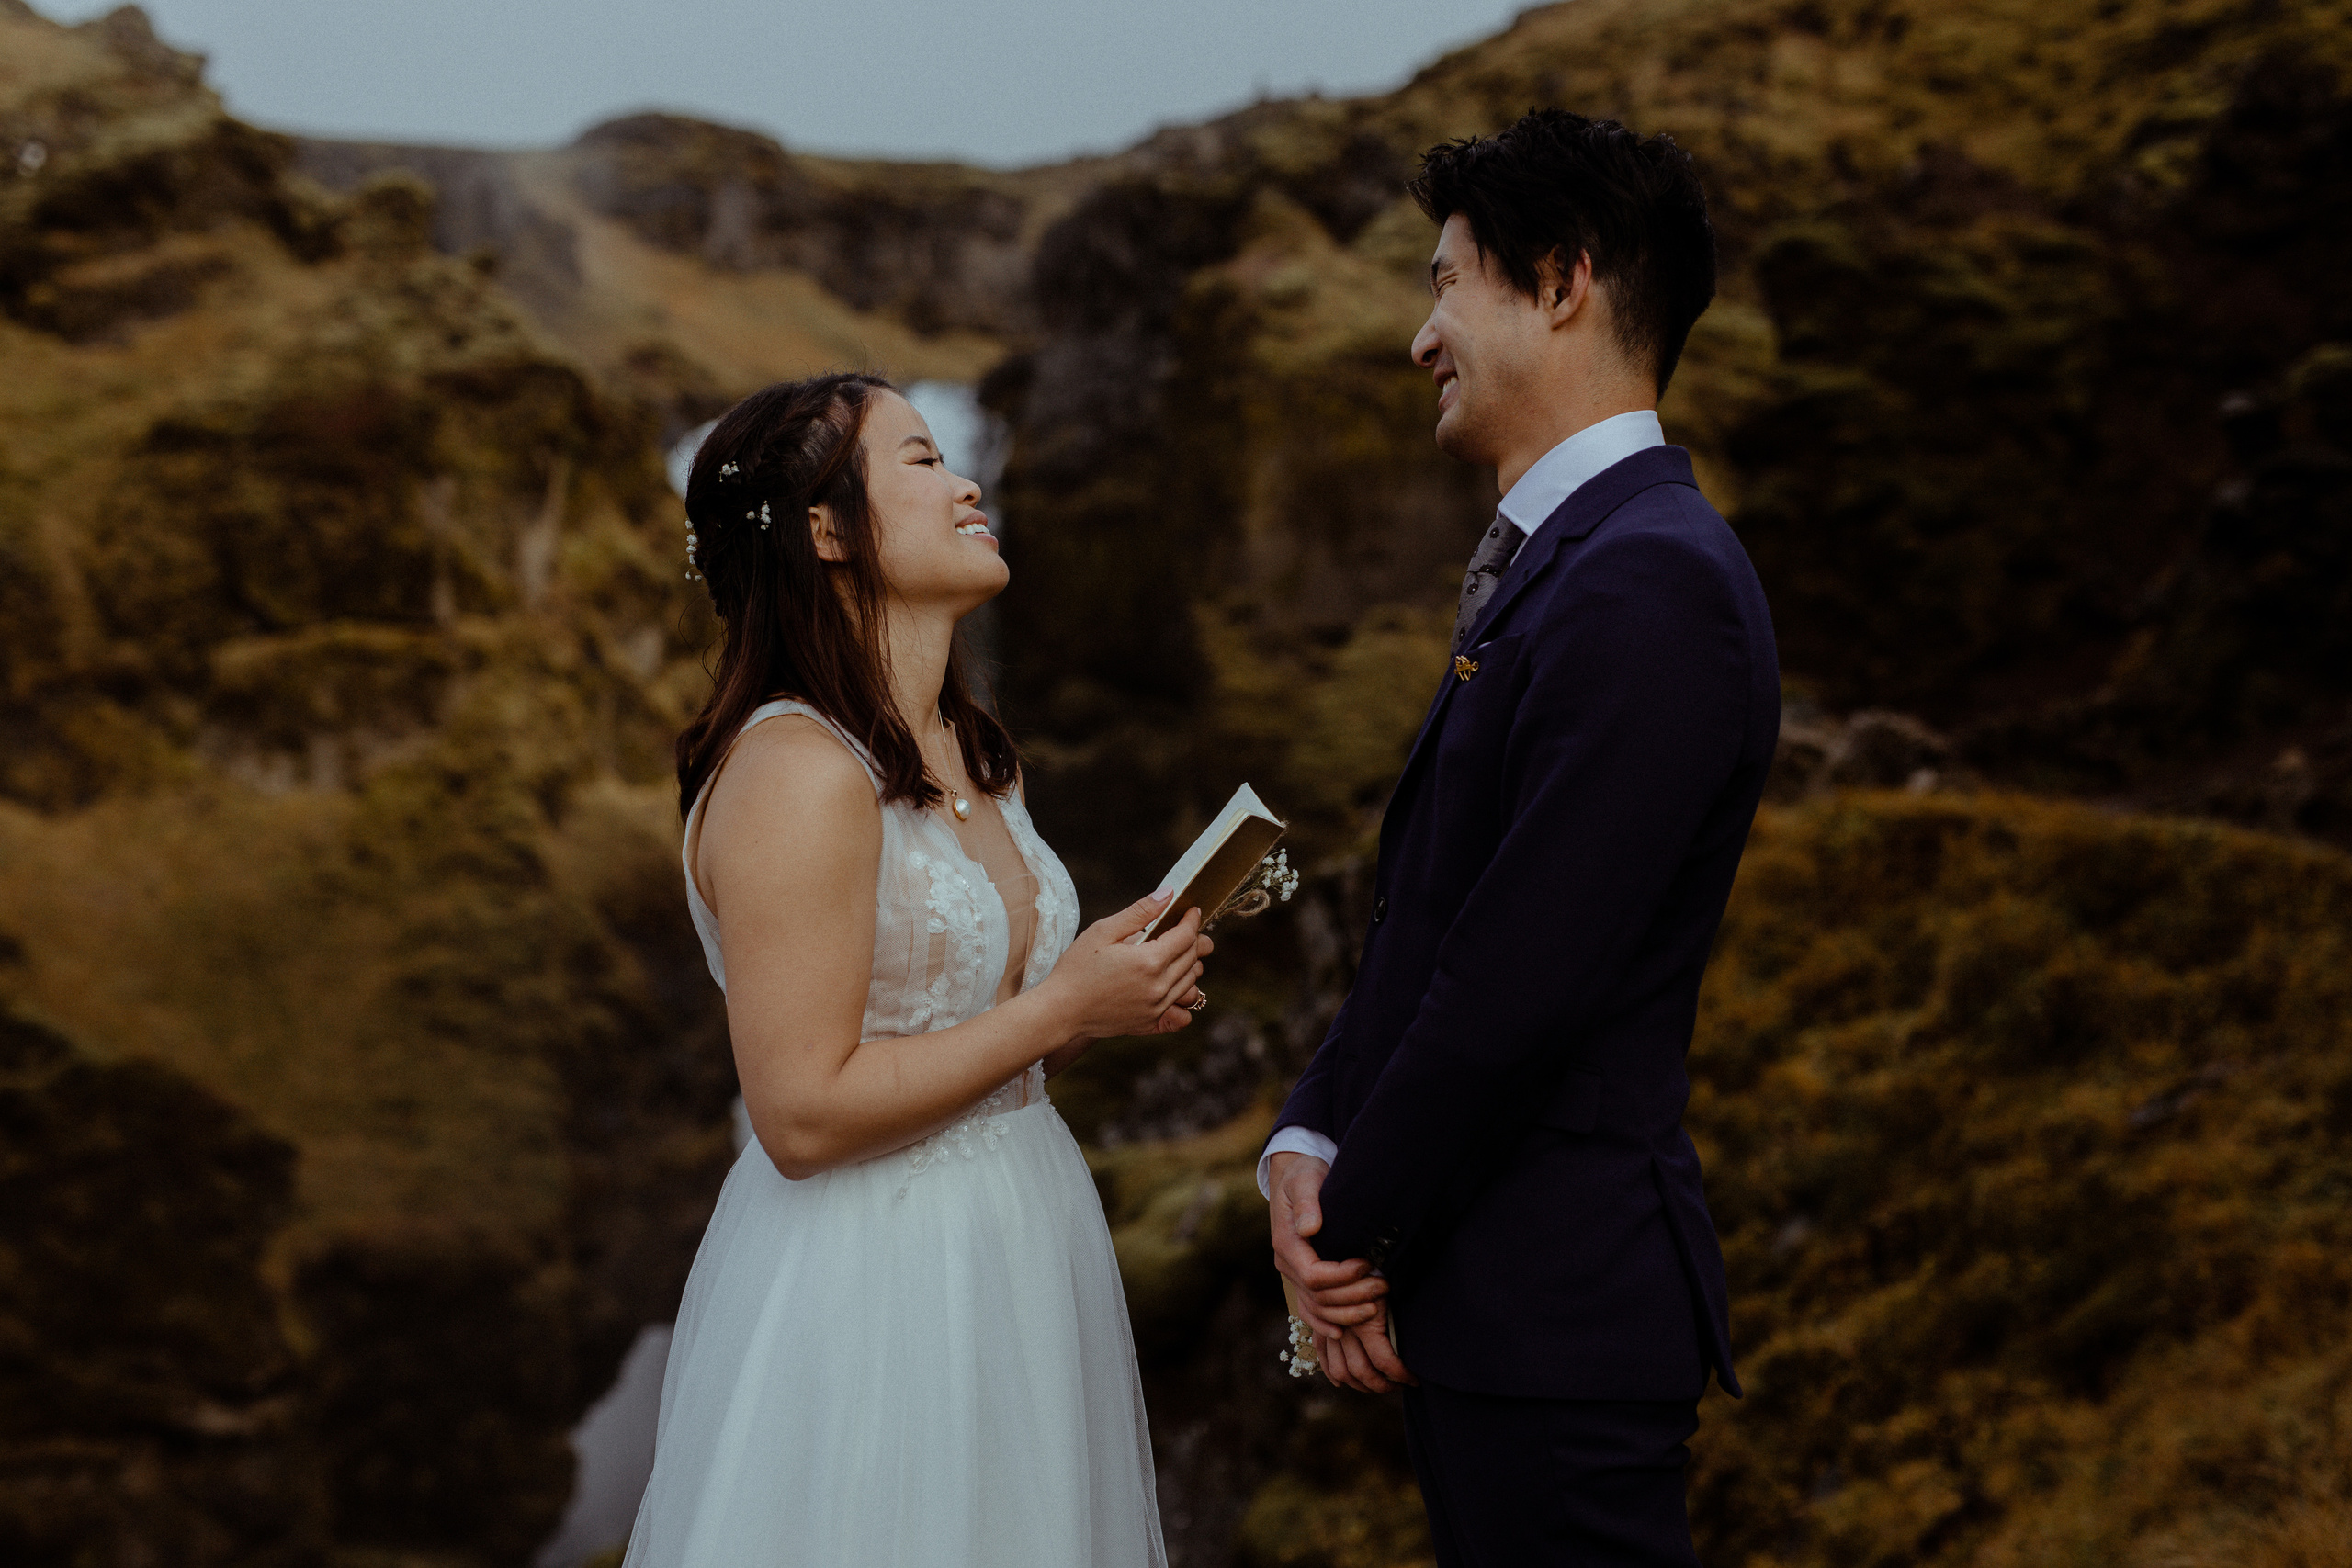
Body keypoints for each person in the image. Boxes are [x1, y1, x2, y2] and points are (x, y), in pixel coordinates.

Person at [1261, 111, 1780, 1566]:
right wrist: (1303, 1138)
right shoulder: (1575, 562)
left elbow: (1518, 981)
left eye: (1447, 283)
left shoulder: (1652, 581)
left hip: (1559, 1316)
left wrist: (1345, 1238)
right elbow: (1427, 924)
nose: (1420, 336)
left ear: (1561, 282)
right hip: (1494, 1311)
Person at [627, 372, 1208, 1567]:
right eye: (924, 462)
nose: (968, 485)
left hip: (1024, 1235)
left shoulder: (974, 753)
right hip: (879, 1272)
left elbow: (964, 1040)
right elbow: (801, 1113)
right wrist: (1058, 1005)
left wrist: (1099, 1003)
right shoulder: (796, 773)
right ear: (826, 532)